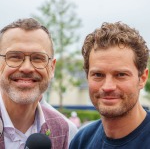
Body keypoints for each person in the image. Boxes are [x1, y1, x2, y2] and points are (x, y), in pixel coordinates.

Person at [69, 22, 150, 149]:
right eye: (98, 75)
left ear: (142, 78)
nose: (108, 87)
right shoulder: (81, 141)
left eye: (121, 74)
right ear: (87, 77)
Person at [0, 18, 77, 149]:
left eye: (38, 58)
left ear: (52, 68)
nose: (27, 68)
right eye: (15, 57)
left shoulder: (65, 130)